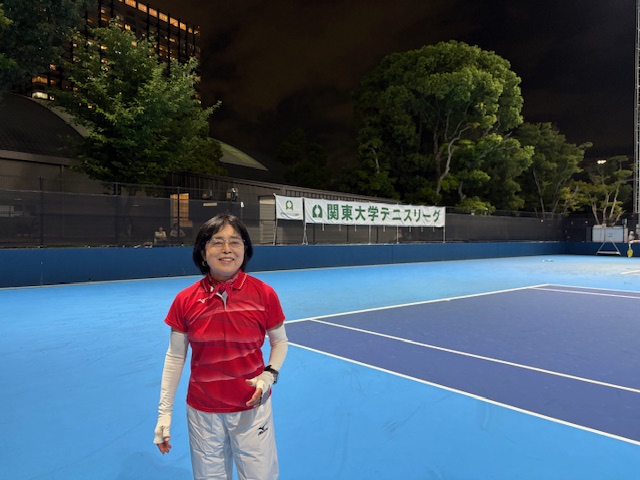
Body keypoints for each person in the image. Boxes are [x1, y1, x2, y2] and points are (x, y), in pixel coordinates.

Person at [153, 213, 288, 480]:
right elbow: (175, 357)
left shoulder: (264, 294)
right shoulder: (185, 300)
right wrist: (164, 414)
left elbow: (279, 341)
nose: (227, 249)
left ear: (245, 250)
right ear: (203, 252)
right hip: (203, 411)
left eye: (235, 242)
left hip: (252, 408)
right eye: (217, 242)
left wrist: (268, 375)